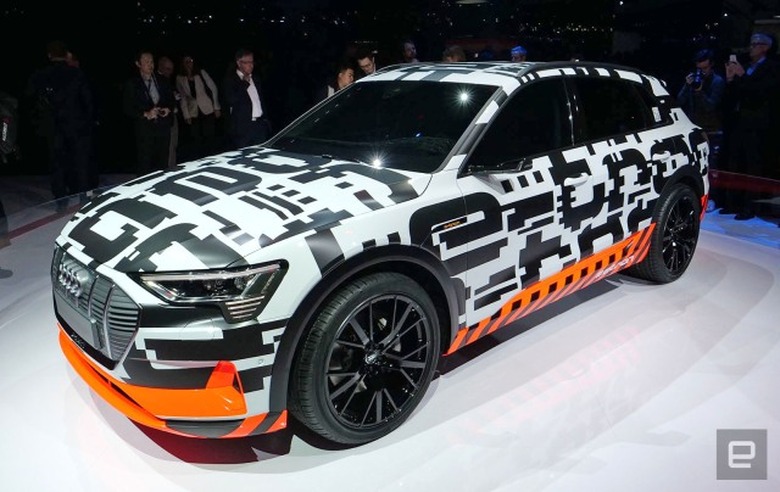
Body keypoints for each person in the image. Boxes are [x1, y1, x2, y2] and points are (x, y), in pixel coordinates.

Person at [26, 40, 94, 209]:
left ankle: (61, 200)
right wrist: (89, 121)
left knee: (57, 164)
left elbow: (32, 100)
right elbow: (88, 101)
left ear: (49, 55)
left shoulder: (41, 75)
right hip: (76, 126)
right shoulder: (76, 74)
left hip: (53, 127)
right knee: (80, 162)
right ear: (65, 55)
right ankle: (84, 197)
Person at [724, 32, 780, 220]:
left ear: (766, 47)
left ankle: (751, 206)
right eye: (751, 43)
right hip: (738, 122)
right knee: (735, 163)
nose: (751, 47)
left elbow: (761, 94)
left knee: (753, 166)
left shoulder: (772, 68)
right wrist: (731, 79)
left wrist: (742, 76)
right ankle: (732, 203)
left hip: (758, 126)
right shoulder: (747, 66)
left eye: (755, 44)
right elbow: (736, 94)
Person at [122, 50, 175, 176]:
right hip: (145, 130)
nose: (150, 65)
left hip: (163, 127)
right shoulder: (132, 84)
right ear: (138, 64)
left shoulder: (162, 80)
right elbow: (127, 108)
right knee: (145, 163)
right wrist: (146, 114)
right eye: (146, 62)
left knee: (163, 162)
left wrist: (167, 109)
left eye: (151, 61)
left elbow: (171, 100)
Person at [676, 49, 726, 161]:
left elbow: (710, 106)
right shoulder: (693, 80)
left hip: (711, 130)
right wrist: (687, 85)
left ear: (711, 65)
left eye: (705, 68)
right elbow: (680, 101)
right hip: (695, 128)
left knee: (711, 162)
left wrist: (699, 91)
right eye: (699, 69)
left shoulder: (717, 81)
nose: (702, 72)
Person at [223, 48, 271, 149]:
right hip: (243, 128)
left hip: (259, 125)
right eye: (247, 62)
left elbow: (260, 100)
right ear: (239, 63)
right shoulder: (231, 80)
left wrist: (265, 121)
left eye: (252, 62)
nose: (251, 65)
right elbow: (231, 99)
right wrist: (244, 83)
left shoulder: (255, 78)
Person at [176, 54, 222, 160]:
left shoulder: (200, 73)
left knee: (209, 136)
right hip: (193, 111)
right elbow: (183, 97)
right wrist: (186, 115)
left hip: (207, 107)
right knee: (196, 138)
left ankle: (212, 158)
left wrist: (216, 107)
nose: (189, 63)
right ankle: (200, 159)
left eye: (190, 61)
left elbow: (213, 88)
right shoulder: (180, 78)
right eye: (186, 61)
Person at [157, 55, 180, 168]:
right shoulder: (157, 80)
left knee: (173, 144)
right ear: (160, 67)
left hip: (171, 117)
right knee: (168, 146)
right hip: (163, 119)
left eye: (171, 69)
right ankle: (169, 169)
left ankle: (172, 166)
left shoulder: (167, 80)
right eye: (167, 69)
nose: (170, 72)